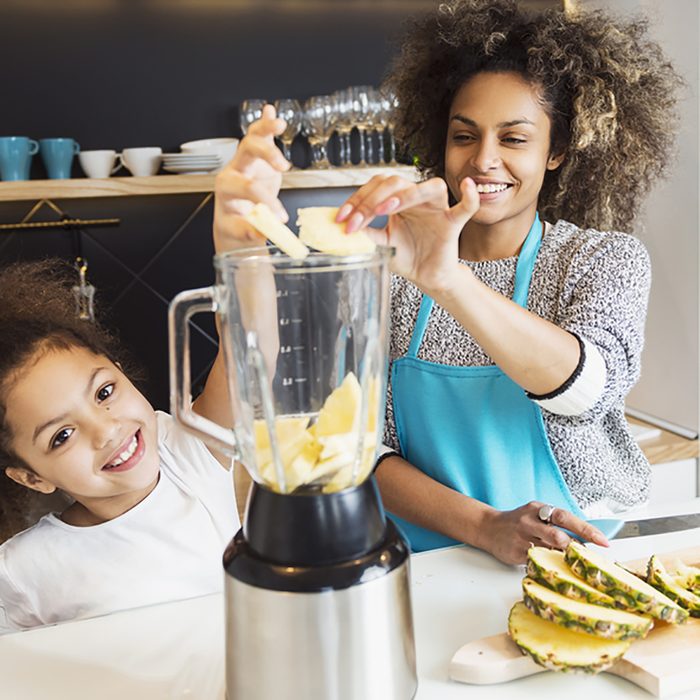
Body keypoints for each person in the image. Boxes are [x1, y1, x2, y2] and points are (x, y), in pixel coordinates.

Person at [214, 0, 682, 565]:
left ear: (557, 151)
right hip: (427, 560)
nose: (483, 160)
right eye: (465, 136)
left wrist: (448, 279)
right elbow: (352, 444)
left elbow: (584, 391)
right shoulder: (390, 271)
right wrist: (484, 526)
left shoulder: (600, 260)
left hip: (580, 553)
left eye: (513, 139)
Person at [0, 258, 240, 633]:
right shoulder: (24, 570)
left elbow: (247, 351)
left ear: (120, 370)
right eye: (62, 436)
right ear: (31, 478)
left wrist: (237, 241)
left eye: (104, 392)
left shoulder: (188, 454)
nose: (106, 431)